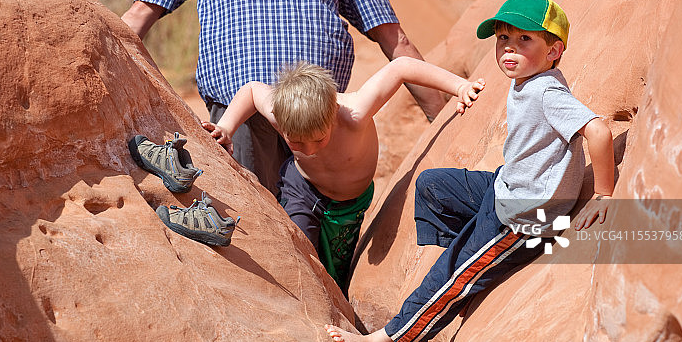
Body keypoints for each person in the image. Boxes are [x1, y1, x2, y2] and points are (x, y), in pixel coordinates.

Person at [325, 0, 615, 342]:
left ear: (554, 50)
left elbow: (598, 131)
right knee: (433, 185)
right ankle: (468, 262)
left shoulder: (547, 91)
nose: (509, 49)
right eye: (503, 40)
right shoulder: (528, 80)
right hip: (506, 187)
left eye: (524, 40)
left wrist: (603, 193)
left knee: (449, 274)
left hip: (524, 218)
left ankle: (384, 340)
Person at [121, 0, 446, 195]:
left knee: (257, 222)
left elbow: (137, 17)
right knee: (310, 222)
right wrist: (443, 123)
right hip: (317, 105)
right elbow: (394, 39)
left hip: (240, 102)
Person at [202, 58, 485, 291]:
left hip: (351, 203)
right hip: (303, 189)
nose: (309, 150)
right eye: (295, 143)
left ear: (333, 114)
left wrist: (459, 85)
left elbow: (401, 67)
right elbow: (252, 90)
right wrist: (226, 127)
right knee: (302, 252)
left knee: (339, 270)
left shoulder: (354, 112)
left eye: (319, 139)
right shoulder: (280, 110)